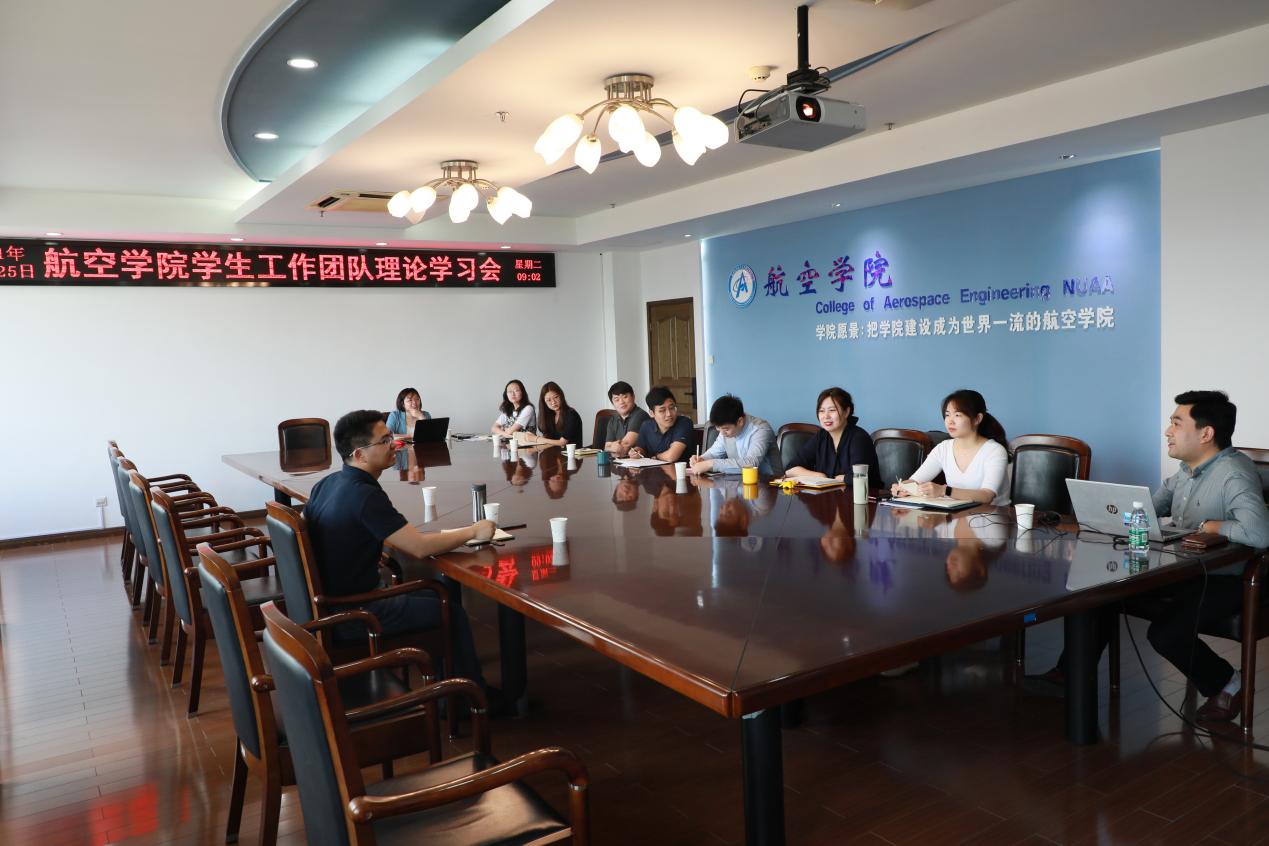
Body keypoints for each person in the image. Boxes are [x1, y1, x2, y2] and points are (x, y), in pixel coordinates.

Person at [1036, 391, 1269, 722]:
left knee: (1165, 633)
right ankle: (1068, 674)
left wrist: (1212, 525)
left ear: (1206, 433)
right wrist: (1108, 515)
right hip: (1185, 570)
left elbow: (1260, 533)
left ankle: (1228, 682)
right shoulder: (1186, 471)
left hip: (1228, 580)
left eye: (1176, 423)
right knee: (1100, 593)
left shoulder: (1234, 473)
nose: (1167, 431)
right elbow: (1147, 510)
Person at [302, 410, 496, 691]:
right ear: (359, 455)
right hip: (355, 614)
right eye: (384, 441)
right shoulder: (364, 494)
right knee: (451, 612)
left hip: (327, 605)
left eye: (390, 437)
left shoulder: (328, 483)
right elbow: (419, 547)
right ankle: (467, 698)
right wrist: (473, 531)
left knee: (435, 594)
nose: (394, 444)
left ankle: (448, 685)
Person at [892, 389, 1010, 505]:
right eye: (947, 415)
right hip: (958, 513)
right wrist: (903, 487)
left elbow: (987, 495)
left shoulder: (994, 451)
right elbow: (916, 480)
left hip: (993, 514)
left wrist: (944, 491)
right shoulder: (943, 448)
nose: (950, 421)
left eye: (957, 415)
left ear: (977, 419)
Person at [783, 387, 882, 488]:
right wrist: (819, 476)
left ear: (846, 412)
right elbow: (791, 468)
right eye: (821, 411)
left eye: (832, 410)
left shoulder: (859, 438)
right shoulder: (821, 436)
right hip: (830, 495)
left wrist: (843, 478)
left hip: (863, 496)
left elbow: (860, 478)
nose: (826, 416)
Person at [688, 394, 783, 477]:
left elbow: (751, 464)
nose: (722, 433)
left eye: (726, 429)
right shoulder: (725, 430)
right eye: (718, 429)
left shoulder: (761, 429)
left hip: (770, 484)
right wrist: (702, 459)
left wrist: (711, 464)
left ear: (740, 421)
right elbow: (714, 453)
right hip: (739, 483)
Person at [629, 386, 694, 462]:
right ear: (652, 413)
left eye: (672, 408)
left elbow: (671, 457)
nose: (669, 414)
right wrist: (636, 452)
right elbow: (641, 448)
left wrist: (656, 457)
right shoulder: (646, 426)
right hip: (653, 468)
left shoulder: (684, 423)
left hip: (680, 469)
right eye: (662, 410)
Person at [524, 381, 583, 447]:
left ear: (561, 396)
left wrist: (536, 438)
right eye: (549, 400)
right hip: (554, 452)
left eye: (556, 397)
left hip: (571, 453)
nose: (553, 402)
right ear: (544, 403)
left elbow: (562, 442)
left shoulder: (571, 414)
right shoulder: (550, 416)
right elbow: (549, 440)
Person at [601, 381, 651, 456]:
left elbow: (624, 448)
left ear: (633, 397)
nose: (621, 402)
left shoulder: (640, 415)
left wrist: (612, 447)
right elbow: (606, 447)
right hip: (619, 461)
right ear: (612, 403)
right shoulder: (613, 420)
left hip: (641, 461)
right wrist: (612, 448)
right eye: (617, 399)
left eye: (625, 397)